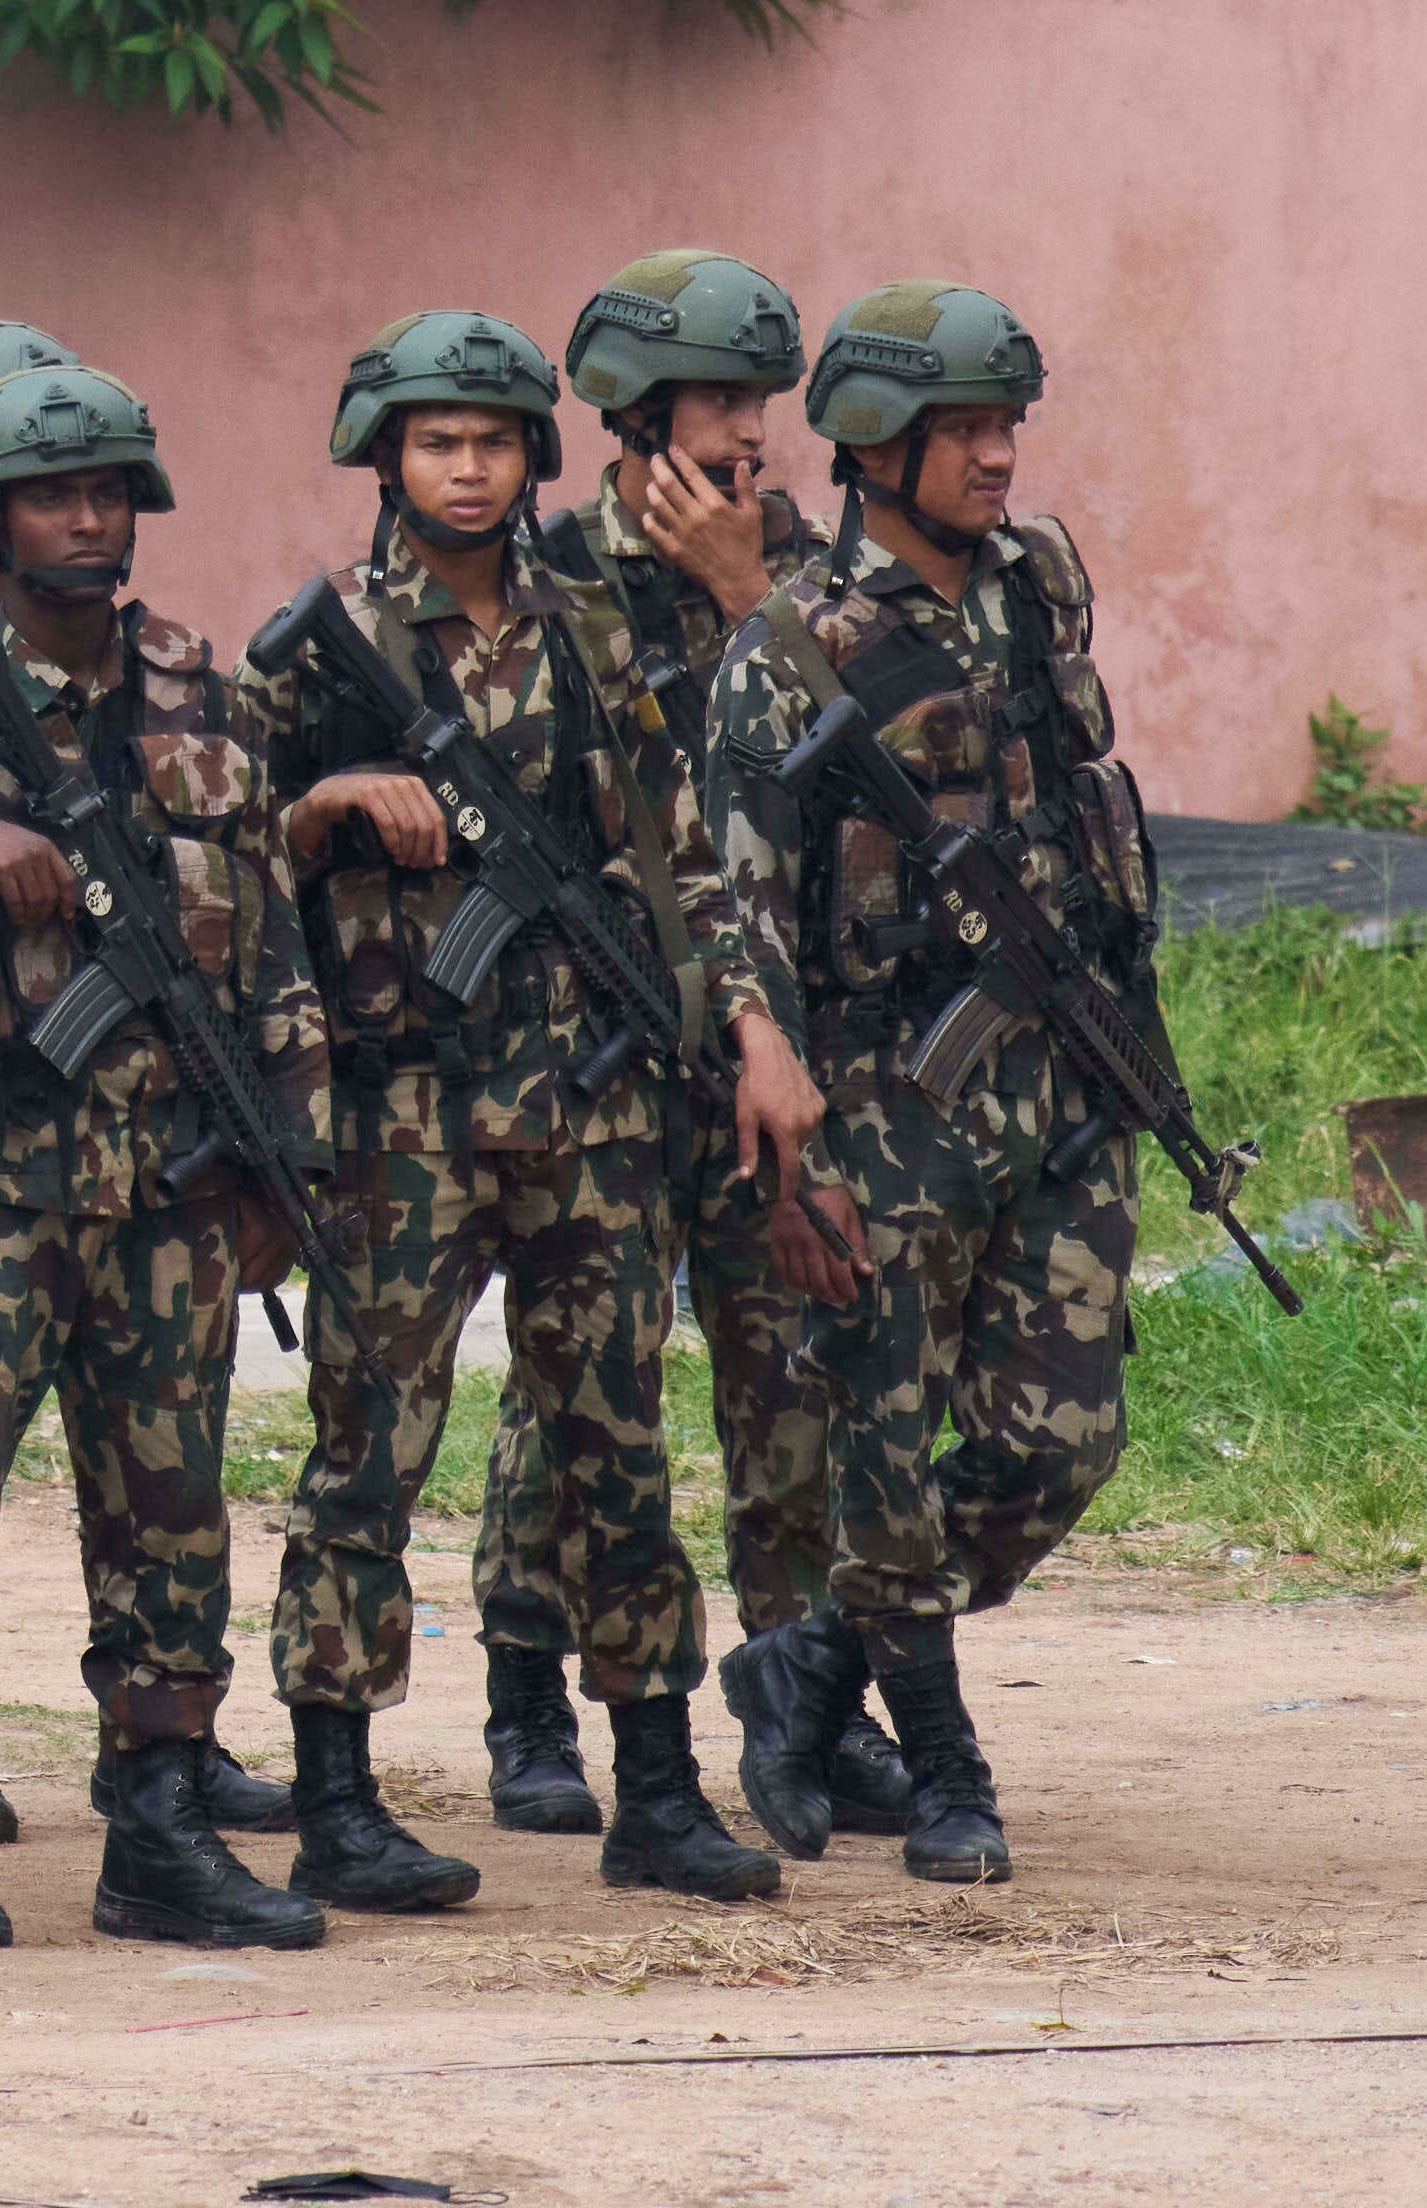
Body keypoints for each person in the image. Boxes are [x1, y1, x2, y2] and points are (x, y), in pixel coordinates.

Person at [241, 310, 836, 1918]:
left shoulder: (585, 629)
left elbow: (682, 849)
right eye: (438, 442)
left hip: (588, 1110)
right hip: (405, 1121)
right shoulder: (325, 645)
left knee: (616, 1448)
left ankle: (655, 1784)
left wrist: (751, 1026)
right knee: (371, 1455)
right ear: (385, 456)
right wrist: (323, 807)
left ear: (532, 462)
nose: (469, 467)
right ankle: (339, 1800)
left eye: (494, 442)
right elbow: (229, 865)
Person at [0, 364, 326, 1955]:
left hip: (171, 1178)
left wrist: (280, 1158)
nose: (90, 517)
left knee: (173, 1509)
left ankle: (161, 1827)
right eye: (54, 493)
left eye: (111, 489)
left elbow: (272, 939)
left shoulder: (198, 690)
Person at [463, 251, 907, 1848]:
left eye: (762, 407)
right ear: (633, 414)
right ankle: (530, 1691)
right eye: (717, 404)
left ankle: (803, 1697)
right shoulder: (551, 574)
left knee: (789, 1369)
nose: (748, 438)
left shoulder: (795, 571)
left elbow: (862, 766)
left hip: (767, 1030)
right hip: (598, 1042)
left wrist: (743, 595)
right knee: (582, 1384)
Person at [717, 285, 1140, 1888]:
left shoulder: (1040, 587)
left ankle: (813, 1661)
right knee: (885, 1439)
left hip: (1056, 1068)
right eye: (964, 427)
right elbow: (739, 885)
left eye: (1007, 423)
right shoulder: (792, 646)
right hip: (889, 1086)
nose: (996, 454)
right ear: (876, 446)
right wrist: (769, 1067)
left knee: (1063, 1437)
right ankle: (948, 1759)